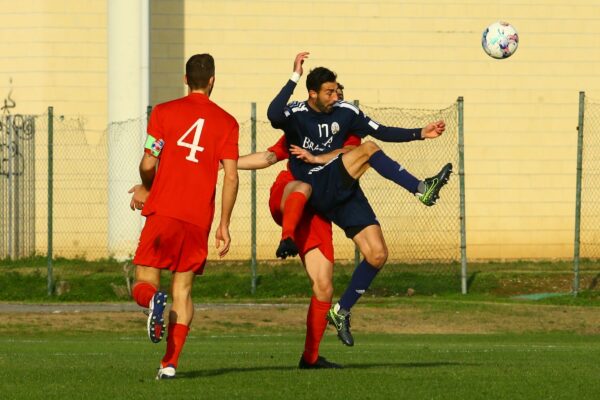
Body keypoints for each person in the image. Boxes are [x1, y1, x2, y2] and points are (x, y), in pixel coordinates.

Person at [267, 52, 452, 347]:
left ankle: (341, 312)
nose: (335, 95)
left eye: (336, 89)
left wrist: (420, 133)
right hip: (315, 184)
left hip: (342, 190)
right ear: (312, 93)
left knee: (377, 254)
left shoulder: (346, 112)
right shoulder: (297, 113)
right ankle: (421, 188)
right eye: (328, 91)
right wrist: (294, 77)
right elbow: (274, 114)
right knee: (367, 149)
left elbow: (382, 129)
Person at [128, 53, 239, 380]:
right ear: (213, 80)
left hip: (163, 212)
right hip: (197, 219)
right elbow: (231, 177)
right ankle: (170, 363)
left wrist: (148, 189)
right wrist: (224, 224)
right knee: (184, 292)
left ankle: (152, 302)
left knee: (144, 282)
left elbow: (149, 163)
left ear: (185, 79)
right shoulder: (228, 123)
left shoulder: (163, 113)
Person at [236, 97, 359, 368]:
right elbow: (269, 157)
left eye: (338, 95)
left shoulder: (350, 134)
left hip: (315, 213)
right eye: (330, 94)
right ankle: (286, 238)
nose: (334, 100)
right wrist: (227, 163)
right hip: (288, 194)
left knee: (324, 288)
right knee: (303, 186)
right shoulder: (303, 129)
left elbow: (348, 155)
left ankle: (310, 358)